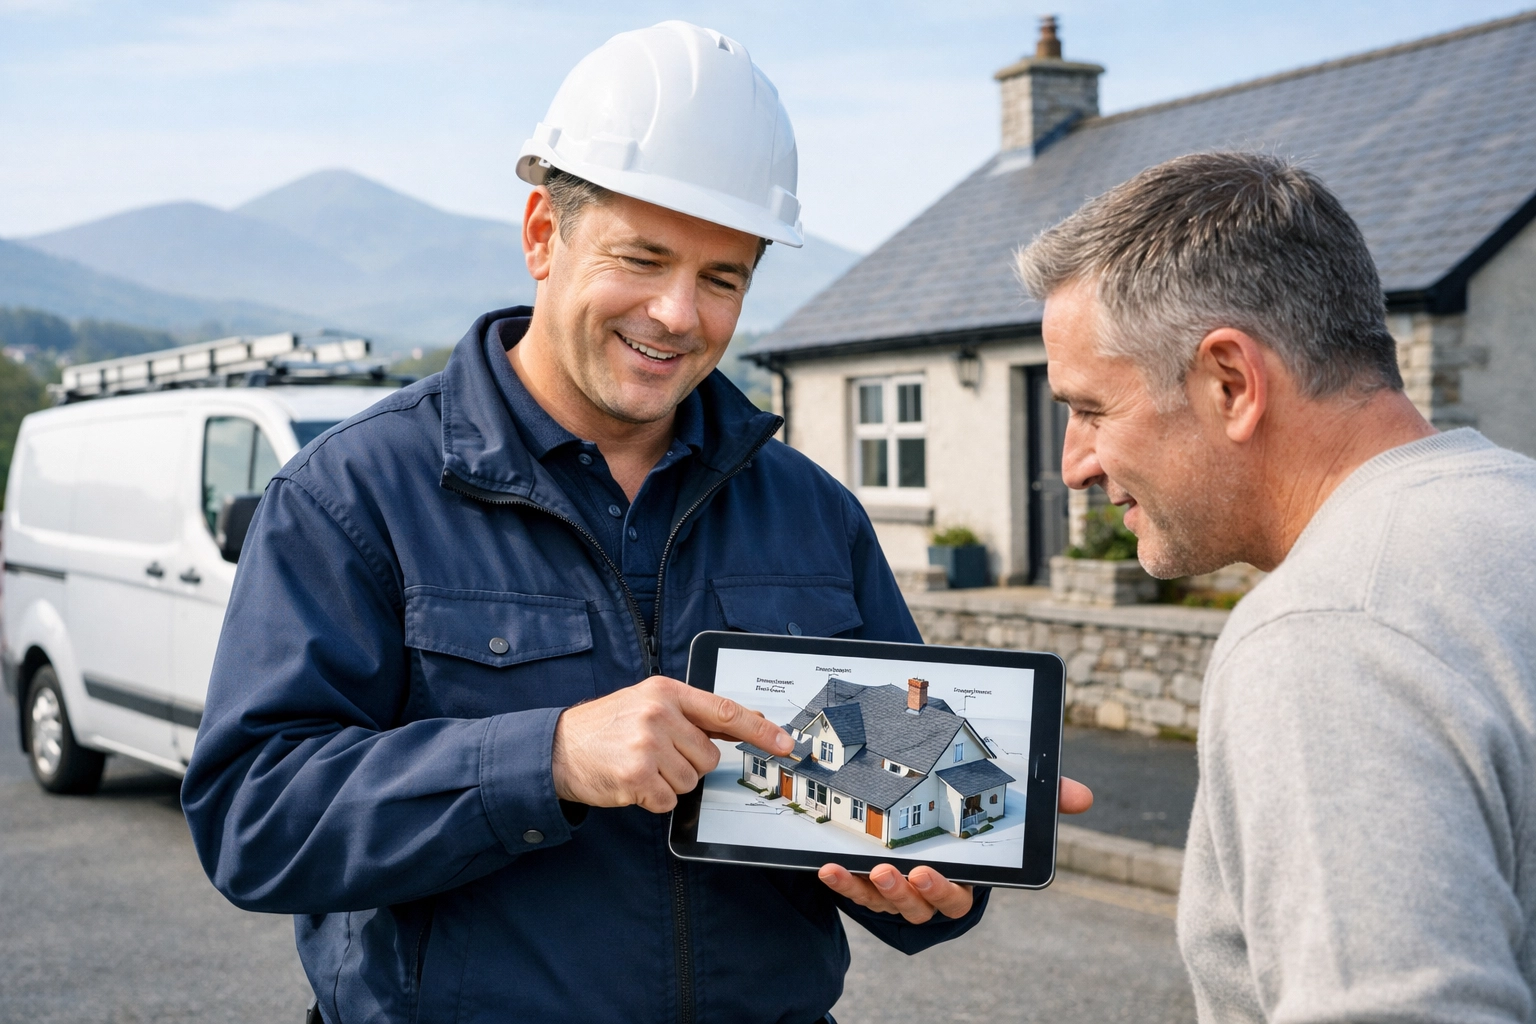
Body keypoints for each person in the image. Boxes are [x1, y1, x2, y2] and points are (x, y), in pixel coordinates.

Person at [183, 22, 1091, 1024]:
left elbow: (896, 814)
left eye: (721, 278)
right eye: (642, 258)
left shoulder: (813, 513)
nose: (676, 313)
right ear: (542, 233)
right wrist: (550, 756)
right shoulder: (352, 496)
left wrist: (935, 888)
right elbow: (252, 818)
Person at [1018, 149, 1536, 1021]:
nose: (1074, 466)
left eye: (1092, 410)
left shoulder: (1329, 633)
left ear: (1231, 382)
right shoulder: (1510, 508)